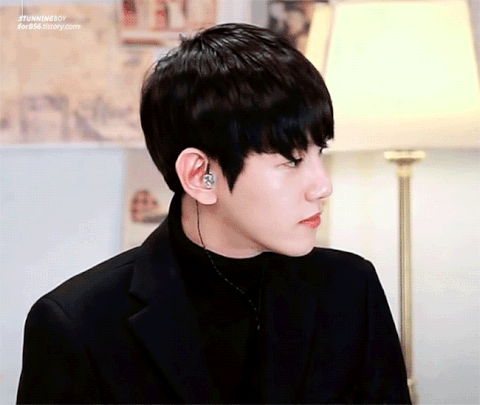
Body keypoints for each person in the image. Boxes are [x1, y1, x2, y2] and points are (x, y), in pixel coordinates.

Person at [17, 23, 411, 404]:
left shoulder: (350, 290)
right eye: (292, 160)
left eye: (319, 152)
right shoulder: (78, 325)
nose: (322, 185)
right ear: (200, 175)